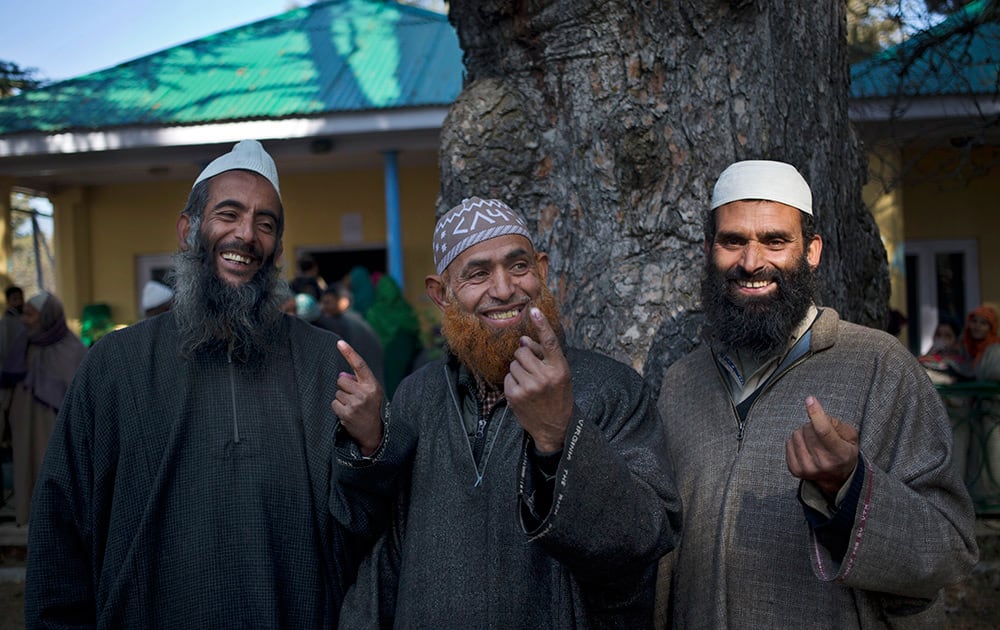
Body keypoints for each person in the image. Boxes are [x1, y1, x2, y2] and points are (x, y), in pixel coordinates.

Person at [25, 140, 383, 627]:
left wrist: (371, 445)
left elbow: (362, 532)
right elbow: (60, 533)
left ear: (277, 247)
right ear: (188, 229)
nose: (246, 235)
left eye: (265, 223)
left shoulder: (324, 362)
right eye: (228, 214)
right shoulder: (115, 364)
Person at [655, 160, 978, 628]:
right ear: (709, 250)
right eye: (733, 241)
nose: (751, 262)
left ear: (812, 252)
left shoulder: (878, 366)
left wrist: (849, 488)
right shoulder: (681, 383)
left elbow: (950, 547)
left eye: (775, 241)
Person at [336, 196, 682, 627]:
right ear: (441, 295)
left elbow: (646, 537)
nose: (503, 289)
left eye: (518, 267)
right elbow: (382, 554)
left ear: (542, 270)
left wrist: (561, 434)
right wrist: (371, 445)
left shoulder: (610, 389)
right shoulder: (417, 397)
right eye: (478, 274)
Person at [1, 291, 87, 526]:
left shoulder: (73, 350)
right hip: (24, 426)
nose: (24, 320)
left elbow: (82, 397)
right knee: (27, 470)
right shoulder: (24, 345)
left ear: (47, 317)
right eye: (24, 314)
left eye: (30, 315)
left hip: (56, 429)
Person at [363, 274, 421, 399]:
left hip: (384, 358)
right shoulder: (406, 309)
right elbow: (416, 333)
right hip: (410, 361)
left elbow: (370, 338)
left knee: (391, 388)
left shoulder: (374, 312)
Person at [321, 283, 385, 387]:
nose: (323, 308)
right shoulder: (355, 318)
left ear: (344, 302)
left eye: (328, 302)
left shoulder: (343, 323)